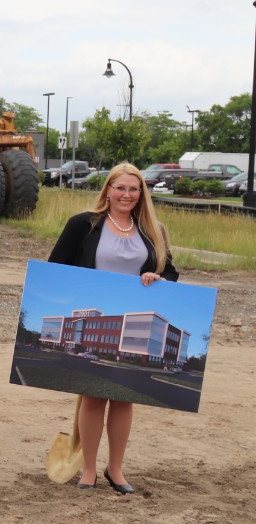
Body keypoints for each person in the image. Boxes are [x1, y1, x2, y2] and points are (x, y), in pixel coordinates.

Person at [48, 162, 178, 495]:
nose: (127, 194)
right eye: (120, 188)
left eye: (134, 189)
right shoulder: (83, 225)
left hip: (132, 318)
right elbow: (55, 268)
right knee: (93, 395)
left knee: (124, 398)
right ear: (108, 189)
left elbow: (172, 275)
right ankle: (88, 470)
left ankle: (115, 469)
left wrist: (157, 277)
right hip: (94, 318)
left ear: (141, 193)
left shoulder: (152, 231)